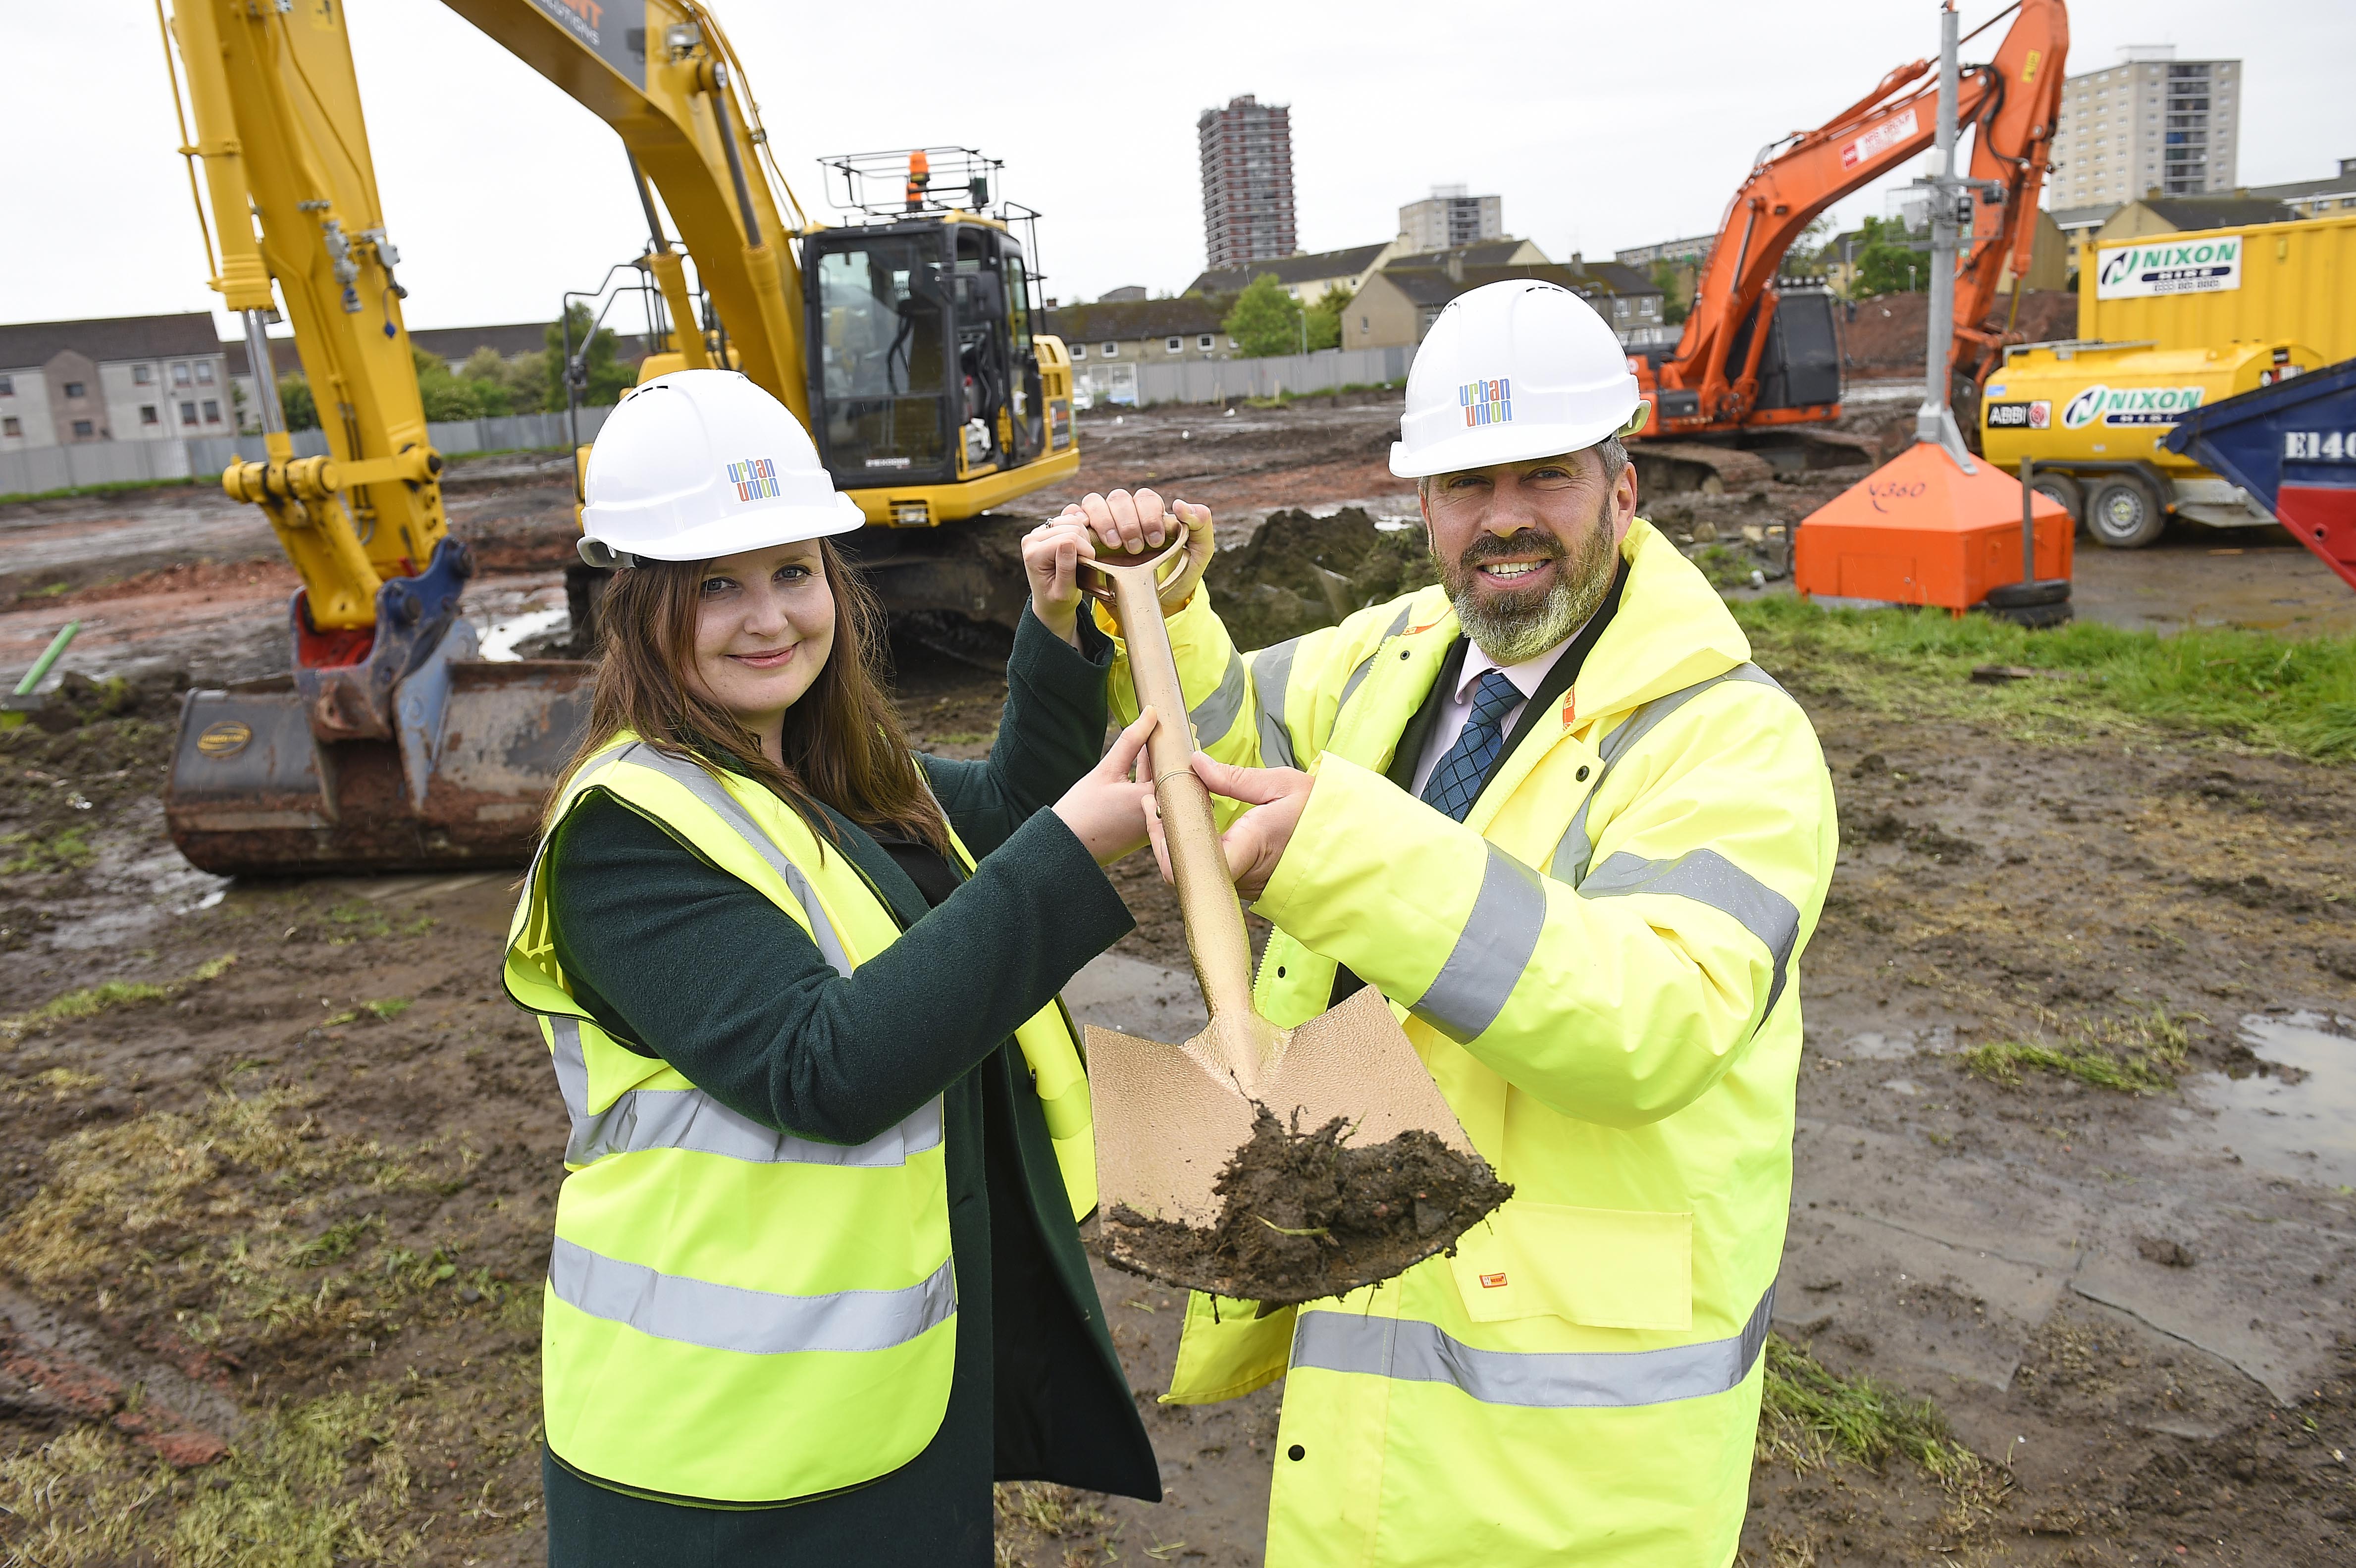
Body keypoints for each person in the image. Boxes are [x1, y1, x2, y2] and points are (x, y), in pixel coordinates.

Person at [1066, 281, 1838, 1565]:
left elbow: (1654, 1021)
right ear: (1419, 506)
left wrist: (1339, 853)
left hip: (1575, 1456)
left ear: (1620, 488)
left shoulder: (1727, 735)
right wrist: (1165, 609)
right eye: (1465, 486)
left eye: (1541, 477)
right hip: (1372, 1386)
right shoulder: (1400, 653)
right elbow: (1219, 744)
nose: (1502, 521)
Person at [502, 369, 1163, 1565]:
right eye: (716, 585)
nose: (769, 618)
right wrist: (1078, 844)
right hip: (722, 1457)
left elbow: (1009, 813)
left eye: (793, 571)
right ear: (636, 604)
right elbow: (826, 1065)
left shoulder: (826, 761)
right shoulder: (624, 833)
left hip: (884, 1396)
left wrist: (1059, 622)